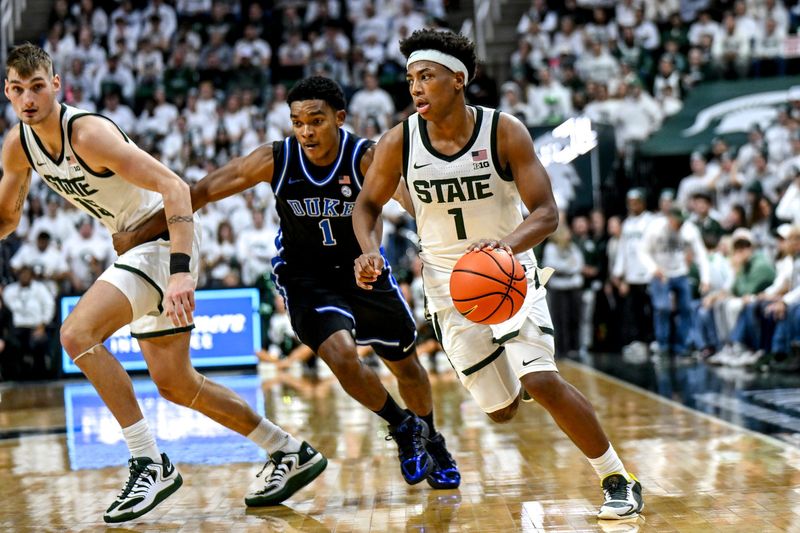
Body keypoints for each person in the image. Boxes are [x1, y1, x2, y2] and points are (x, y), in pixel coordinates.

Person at [0, 44, 326, 523]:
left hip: (163, 238)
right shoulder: (18, 145)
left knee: (76, 334)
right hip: (136, 250)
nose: (27, 99)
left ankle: (149, 462)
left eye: (36, 87)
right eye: (16, 89)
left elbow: (175, 187)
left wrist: (178, 272)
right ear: (7, 92)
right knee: (177, 384)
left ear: (56, 85)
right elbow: (6, 217)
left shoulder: (88, 134)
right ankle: (288, 451)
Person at [112, 76, 460, 490]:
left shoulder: (364, 156)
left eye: (316, 120)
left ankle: (432, 439)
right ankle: (403, 427)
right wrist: (140, 233)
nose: (307, 131)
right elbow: (200, 191)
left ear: (340, 118)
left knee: (408, 367)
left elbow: (404, 200)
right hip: (305, 275)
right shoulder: (276, 158)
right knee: (340, 354)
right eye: (298, 122)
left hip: (362, 268)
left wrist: (442, 235)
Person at [351, 29, 643, 520]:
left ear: (458, 80)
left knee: (543, 379)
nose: (416, 88)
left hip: (507, 272)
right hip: (448, 286)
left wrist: (504, 248)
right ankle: (521, 376)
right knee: (501, 411)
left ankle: (617, 476)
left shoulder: (504, 130)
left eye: (427, 77)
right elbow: (366, 205)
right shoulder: (399, 141)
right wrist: (367, 251)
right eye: (411, 80)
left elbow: (546, 212)